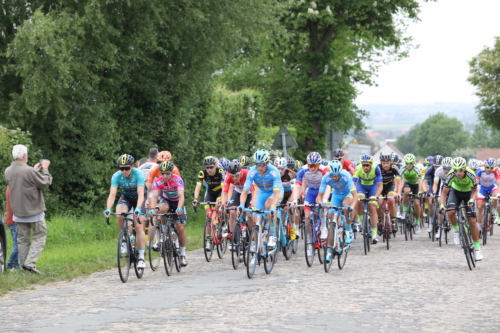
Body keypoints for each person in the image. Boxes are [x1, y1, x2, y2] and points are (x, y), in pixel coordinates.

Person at [5, 144, 52, 274]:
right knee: (40, 236)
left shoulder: (8, 170)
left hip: (18, 212)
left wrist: (34, 170)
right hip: (34, 211)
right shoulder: (29, 171)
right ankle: (30, 263)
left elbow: (24, 181)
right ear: (25, 155)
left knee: (23, 241)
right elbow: (45, 182)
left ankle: (24, 267)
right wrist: (45, 169)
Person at [103, 154, 147, 269]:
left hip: (139, 197)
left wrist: (138, 208)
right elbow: (112, 194)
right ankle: (125, 238)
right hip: (126, 197)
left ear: (132, 167)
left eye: (126, 168)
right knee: (119, 215)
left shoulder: (138, 174)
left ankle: (141, 257)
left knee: (138, 226)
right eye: (121, 168)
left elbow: (141, 194)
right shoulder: (116, 176)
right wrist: (108, 208)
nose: (124, 171)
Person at [439, 157, 482, 261]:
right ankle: (457, 230)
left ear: (464, 169)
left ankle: (477, 249)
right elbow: (444, 192)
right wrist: (442, 205)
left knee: (472, 221)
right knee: (450, 212)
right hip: (456, 192)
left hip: (469, 193)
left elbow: (475, 190)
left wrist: (472, 200)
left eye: (460, 170)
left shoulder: (471, 174)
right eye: (455, 170)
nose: (458, 173)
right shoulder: (451, 175)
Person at [148, 161, 188, 266]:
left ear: (171, 172)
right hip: (166, 200)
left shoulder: (177, 180)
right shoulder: (158, 181)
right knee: (163, 208)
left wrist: (179, 208)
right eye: (162, 173)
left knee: (180, 228)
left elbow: (181, 196)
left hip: (177, 202)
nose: (165, 176)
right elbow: (155, 196)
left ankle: (183, 255)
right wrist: (152, 208)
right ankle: (164, 228)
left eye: (167, 173)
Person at [319, 160, 357, 262]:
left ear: (340, 172)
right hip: (336, 195)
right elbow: (319, 196)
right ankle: (331, 250)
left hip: (347, 194)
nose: (334, 178)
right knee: (332, 219)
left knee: (346, 205)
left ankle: (348, 230)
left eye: (337, 176)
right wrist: (322, 203)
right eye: (332, 176)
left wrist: (352, 206)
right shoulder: (326, 177)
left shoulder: (346, 175)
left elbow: (355, 195)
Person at [352, 154, 383, 244]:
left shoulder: (376, 168)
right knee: (359, 200)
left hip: (373, 186)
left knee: (372, 206)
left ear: (371, 164)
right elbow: (353, 184)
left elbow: (380, 186)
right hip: (361, 186)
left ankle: (374, 235)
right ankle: (361, 221)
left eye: (367, 165)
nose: (365, 167)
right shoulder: (358, 168)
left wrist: (376, 196)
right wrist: (354, 195)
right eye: (363, 165)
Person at [5, 187, 19, 269]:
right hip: (14, 220)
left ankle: (15, 264)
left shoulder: (9, 187)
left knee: (16, 244)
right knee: (18, 244)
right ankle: (11, 264)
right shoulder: (14, 189)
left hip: (10, 219)